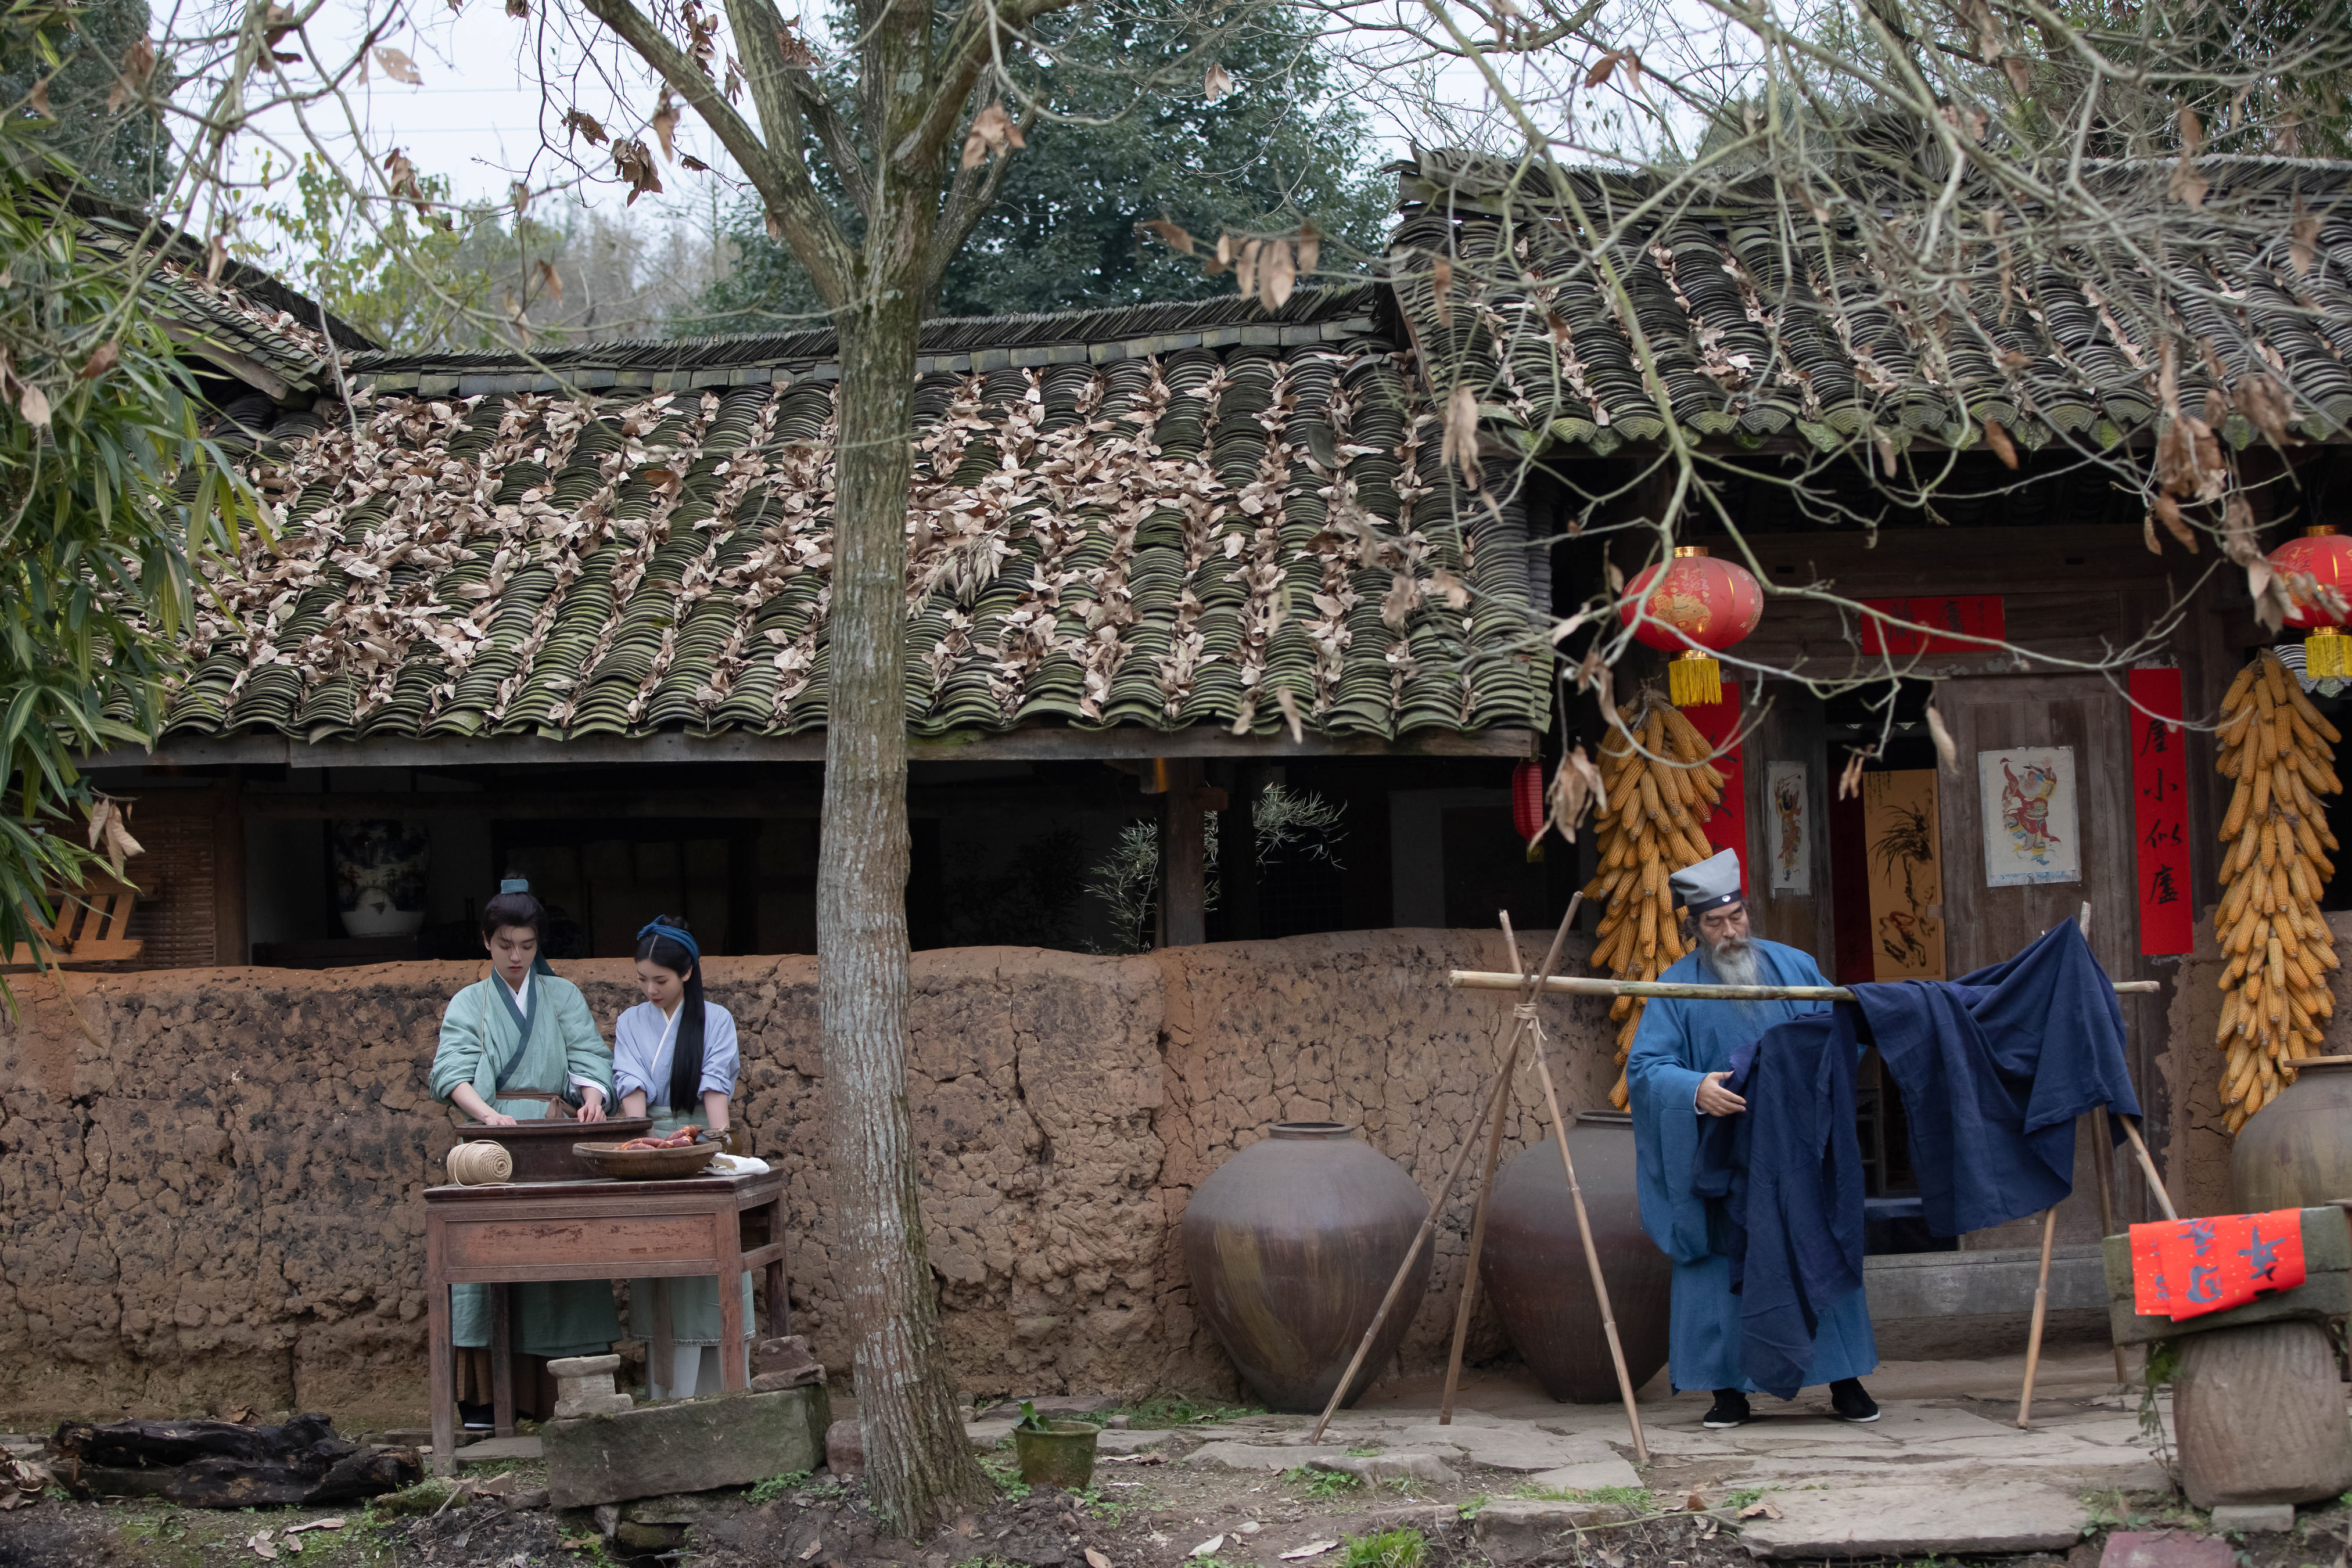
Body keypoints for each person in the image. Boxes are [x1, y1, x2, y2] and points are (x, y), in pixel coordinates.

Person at [1624, 848, 1880, 1430]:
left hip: (1793, 1149)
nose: (1730, 931)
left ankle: (1843, 1381)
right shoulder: (1675, 988)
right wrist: (1694, 1089)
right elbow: (1644, 1069)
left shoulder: (1794, 968)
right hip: (1721, 1157)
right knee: (1719, 1268)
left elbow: (1842, 1035)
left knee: (1813, 1251)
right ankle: (1726, 1392)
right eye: (1714, 923)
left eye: (1736, 916)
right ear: (1693, 928)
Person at [429, 886, 622, 1427]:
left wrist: (591, 1097)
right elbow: (451, 1072)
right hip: (493, 1142)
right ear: (486, 942)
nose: (517, 958)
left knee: (563, 1249)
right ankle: (486, 1404)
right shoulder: (470, 1002)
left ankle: (569, 1390)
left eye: (528, 946)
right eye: (506, 945)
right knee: (488, 1257)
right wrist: (487, 1116)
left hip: (556, 1136)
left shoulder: (562, 996)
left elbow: (588, 1054)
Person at [612, 916, 750, 1400]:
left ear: (687, 973)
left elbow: (715, 1085)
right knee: (665, 1256)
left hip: (698, 1141)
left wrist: (717, 1141)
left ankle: (725, 1388)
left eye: (661, 980)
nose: (650, 989)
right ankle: (668, 1391)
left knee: (713, 1252)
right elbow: (629, 1084)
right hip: (652, 1143)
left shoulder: (716, 1019)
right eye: (641, 979)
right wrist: (645, 1145)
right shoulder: (630, 1022)